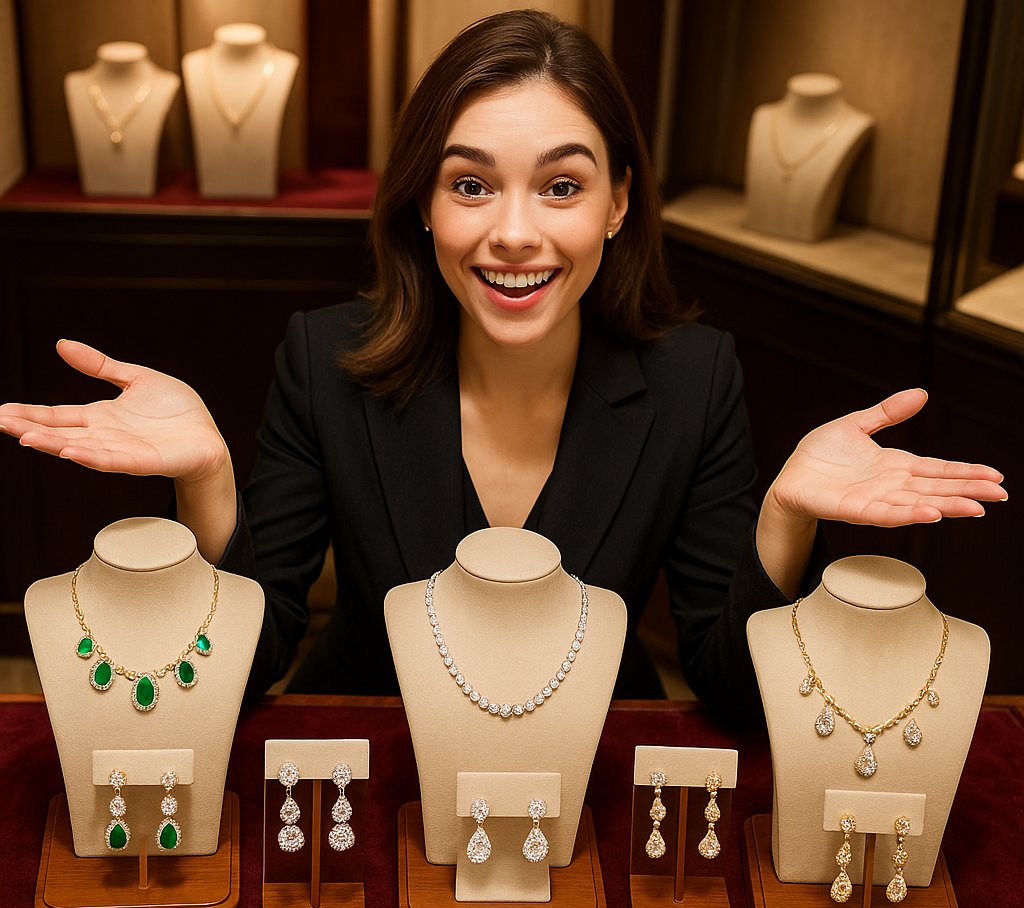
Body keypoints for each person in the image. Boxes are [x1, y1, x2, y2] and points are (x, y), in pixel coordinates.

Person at [0, 11, 1006, 719]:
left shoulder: (698, 380)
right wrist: (206, 477)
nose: (514, 233)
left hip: (598, 780)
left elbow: (731, 691)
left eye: (560, 186)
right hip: (373, 744)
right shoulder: (325, 359)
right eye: (471, 183)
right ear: (423, 205)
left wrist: (785, 517)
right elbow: (251, 663)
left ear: (616, 204)